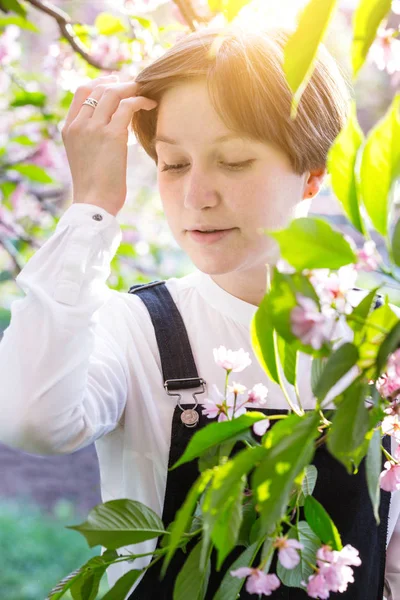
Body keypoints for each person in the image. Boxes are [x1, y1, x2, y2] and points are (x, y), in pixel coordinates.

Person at [0, 24, 398, 600]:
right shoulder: (138, 328)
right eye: (174, 164)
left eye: (233, 161)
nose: (196, 197)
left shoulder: (382, 345)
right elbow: (29, 420)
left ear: (314, 175)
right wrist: (91, 209)